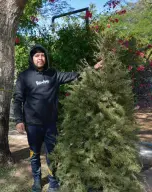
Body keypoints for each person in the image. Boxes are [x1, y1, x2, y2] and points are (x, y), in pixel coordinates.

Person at [13, 45, 102, 192]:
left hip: (50, 124)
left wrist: (93, 68)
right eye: (36, 56)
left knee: (52, 154)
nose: (40, 58)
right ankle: (36, 181)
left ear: (45, 58)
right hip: (32, 124)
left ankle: (53, 182)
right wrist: (18, 120)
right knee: (34, 154)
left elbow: (73, 75)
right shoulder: (24, 76)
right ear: (32, 58)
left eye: (42, 55)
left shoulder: (52, 74)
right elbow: (17, 99)